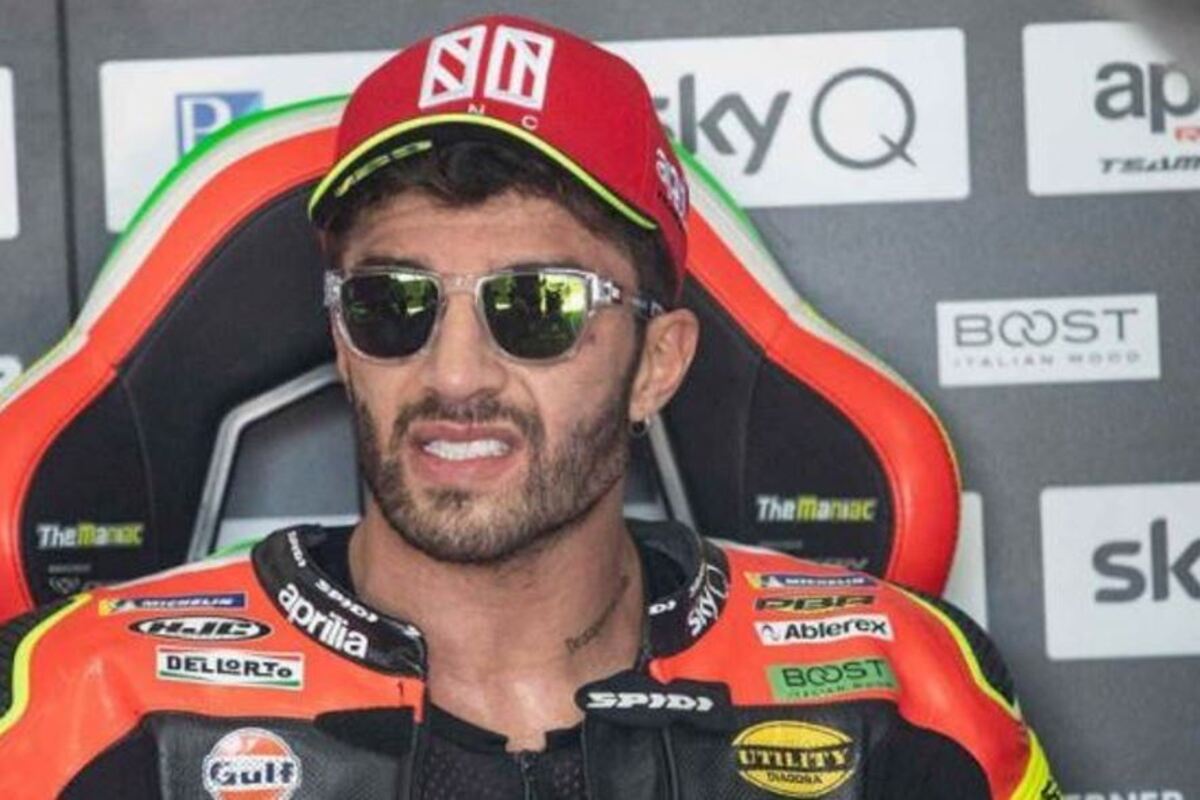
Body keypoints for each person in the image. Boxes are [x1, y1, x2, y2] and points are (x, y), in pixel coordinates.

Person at [0, 14, 1059, 799]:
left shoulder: (901, 691)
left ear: (657, 362)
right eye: (392, 304)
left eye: (538, 306)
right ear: (343, 342)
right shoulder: (87, 702)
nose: (456, 374)